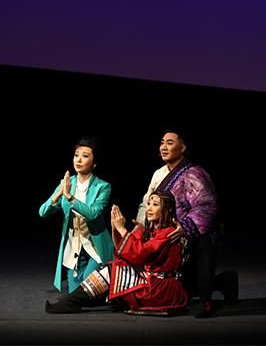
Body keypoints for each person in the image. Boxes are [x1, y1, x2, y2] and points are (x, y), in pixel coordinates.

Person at [135, 129, 238, 318]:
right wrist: (141, 226)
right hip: (164, 235)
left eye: (170, 143)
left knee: (203, 242)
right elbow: (146, 202)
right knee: (176, 288)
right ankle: (223, 282)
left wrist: (185, 226)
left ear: (182, 148)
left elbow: (206, 205)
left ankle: (206, 298)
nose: (164, 147)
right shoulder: (159, 174)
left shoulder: (194, 174)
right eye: (162, 142)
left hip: (187, 236)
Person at [45, 190, 188, 315]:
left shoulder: (168, 232)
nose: (149, 208)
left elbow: (141, 253)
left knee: (111, 270)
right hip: (150, 281)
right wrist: (116, 228)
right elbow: (124, 251)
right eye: (149, 204)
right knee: (114, 266)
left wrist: (122, 229)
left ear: (167, 210)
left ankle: (71, 301)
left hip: (160, 288)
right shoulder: (149, 231)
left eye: (155, 205)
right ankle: (73, 301)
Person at [38, 136, 114, 293]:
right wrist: (58, 195)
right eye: (76, 155)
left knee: (88, 289)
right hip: (75, 248)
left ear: (94, 163)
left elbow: (93, 214)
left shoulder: (103, 187)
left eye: (85, 156)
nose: (78, 160)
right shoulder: (67, 183)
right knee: (76, 293)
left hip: (95, 248)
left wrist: (70, 197)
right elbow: (43, 212)